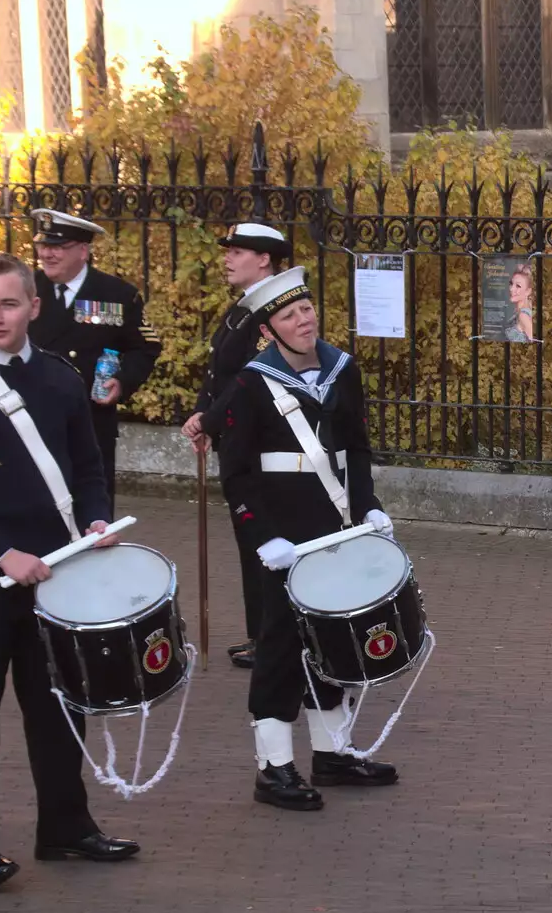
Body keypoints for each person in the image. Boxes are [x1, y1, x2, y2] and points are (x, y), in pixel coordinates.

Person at [0, 253, 142, 892]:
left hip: (56, 573)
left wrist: (97, 520)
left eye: (9, 304)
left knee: (58, 707)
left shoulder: (60, 379)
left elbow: (88, 467)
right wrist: (1, 554)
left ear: (33, 307)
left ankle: (65, 828)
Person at [216, 267, 399, 810]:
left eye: (307, 309)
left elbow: (357, 448)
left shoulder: (342, 369)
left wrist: (368, 505)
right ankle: (273, 767)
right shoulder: (251, 383)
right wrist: (263, 537)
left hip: (337, 527)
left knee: (334, 641)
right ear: (269, 329)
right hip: (284, 539)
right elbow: (237, 474)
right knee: (281, 647)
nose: (304, 319)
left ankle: (332, 752)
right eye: (290, 315)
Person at [181, 222, 294, 670]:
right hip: (235, 437)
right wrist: (202, 414)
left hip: (259, 443)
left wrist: (209, 418)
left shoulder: (272, 308)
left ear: (264, 259)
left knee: (263, 539)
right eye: (228, 251)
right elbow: (219, 373)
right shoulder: (244, 308)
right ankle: (261, 633)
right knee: (251, 543)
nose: (227, 258)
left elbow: (253, 376)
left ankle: (275, 635)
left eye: (238, 252)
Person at [28, 208, 162, 511]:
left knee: (92, 514)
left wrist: (123, 381)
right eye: (43, 245)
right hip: (33, 421)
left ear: (83, 251)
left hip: (90, 424)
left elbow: (145, 348)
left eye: (57, 247)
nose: (47, 254)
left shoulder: (116, 294)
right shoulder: (25, 289)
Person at [503, 264, 534, 343]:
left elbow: (533, 344)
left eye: (518, 286)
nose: (511, 289)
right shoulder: (518, 311)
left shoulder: (523, 316)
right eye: (511, 283)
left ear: (528, 291)